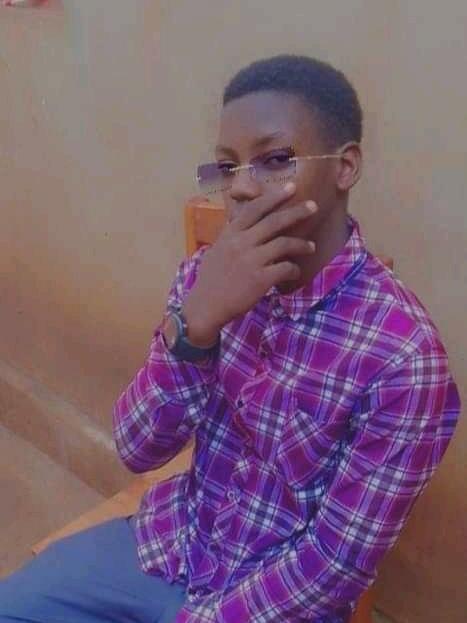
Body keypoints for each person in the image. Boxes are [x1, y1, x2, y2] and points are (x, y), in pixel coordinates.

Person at [0, 54, 460, 623]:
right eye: (227, 166)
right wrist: (196, 326)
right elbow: (136, 447)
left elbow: (332, 566)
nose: (240, 188)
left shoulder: (404, 358)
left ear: (345, 167)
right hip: (174, 543)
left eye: (275, 160)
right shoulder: (205, 278)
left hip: (272, 600)